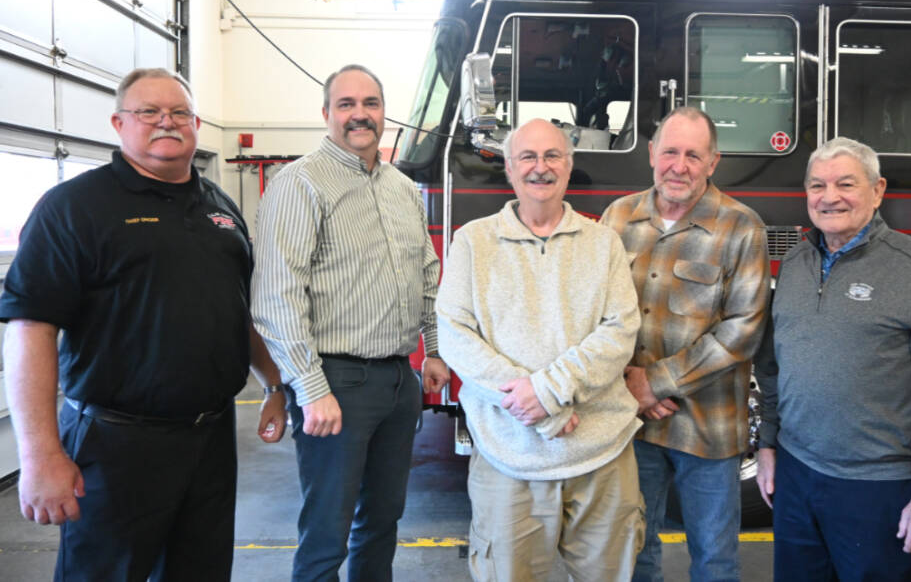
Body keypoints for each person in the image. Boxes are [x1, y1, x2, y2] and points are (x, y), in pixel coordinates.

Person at [0, 67, 287, 581]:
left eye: (178, 112)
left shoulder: (220, 209)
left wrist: (273, 383)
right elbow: (29, 329)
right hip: (115, 446)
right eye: (148, 112)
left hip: (211, 437)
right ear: (118, 122)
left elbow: (239, 309)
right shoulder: (74, 208)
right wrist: (40, 454)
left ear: (196, 123)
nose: (166, 122)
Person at [754, 136, 911, 581]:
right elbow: (773, 368)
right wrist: (767, 445)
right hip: (797, 479)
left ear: (878, 191)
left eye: (846, 184)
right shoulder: (796, 263)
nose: (829, 197)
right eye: (817, 185)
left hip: (879, 488)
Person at [252, 64, 444, 582]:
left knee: (382, 522)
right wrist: (312, 391)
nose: (360, 114)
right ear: (326, 114)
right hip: (335, 382)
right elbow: (276, 296)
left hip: (398, 380)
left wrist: (434, 351)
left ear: (384, 113)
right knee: (326, 533)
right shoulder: (301, 183)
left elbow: (426, 273)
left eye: (371, 103)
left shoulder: (403, 188)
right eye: (346, 104)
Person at [435, 118, 645, 582]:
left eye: (553, 156)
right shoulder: (472, 242)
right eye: (527, 157)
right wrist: (543, 409)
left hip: (601, 459)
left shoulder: (603, 243)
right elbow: (454, 335)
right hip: (508, 459)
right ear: (509, 169)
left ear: (568, 168)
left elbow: (620, 330)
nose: (540, 168)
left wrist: (548, 392)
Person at [601, 107, 770, 582]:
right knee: (634, 552)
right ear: (652, 153)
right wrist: (627, 386)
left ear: (713, 162)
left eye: (693, 155)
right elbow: (594, 313)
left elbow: (743, 330)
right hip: (630, 423)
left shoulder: (742, 227)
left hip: (708, 429)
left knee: (715, 560)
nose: (680, 165)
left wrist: (654, 383)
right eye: (670, 151)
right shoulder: (618, 217)